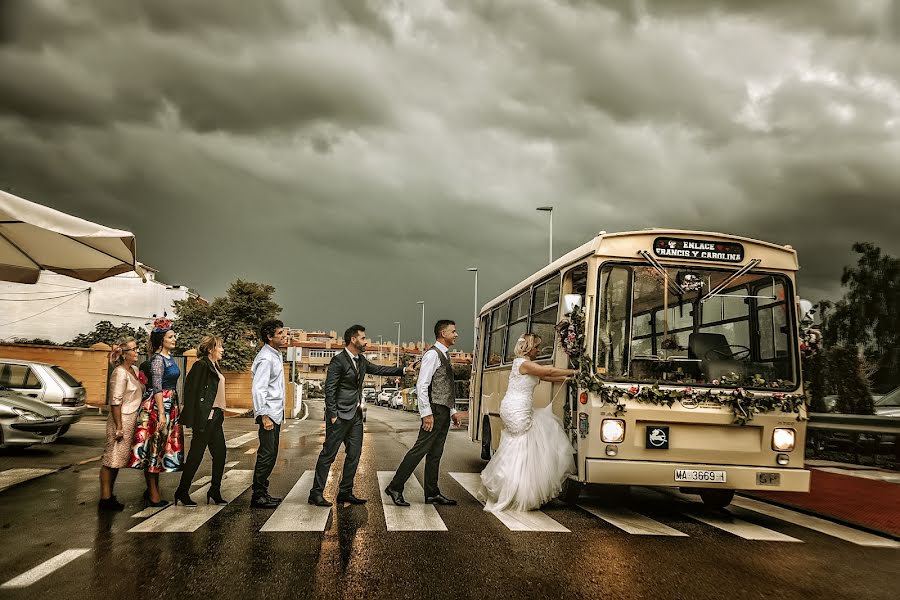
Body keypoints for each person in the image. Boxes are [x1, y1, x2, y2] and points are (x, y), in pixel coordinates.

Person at [308, 324, 412, 506]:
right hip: (339, 416)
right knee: (328, 455)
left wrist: (403, 370)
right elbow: (329, 389)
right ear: (353, 339)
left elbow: (380, 369)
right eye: (363, 338)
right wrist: (332, 414)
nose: (366, 341)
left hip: (355, 416)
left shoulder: (361, 360)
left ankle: (345, 492)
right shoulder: (338, 361)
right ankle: (315, 494)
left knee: (354, 454)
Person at [478, 333, 576, 512]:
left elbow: (547, 377)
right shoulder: (523, 363)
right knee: (522, 446)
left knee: (520, 445)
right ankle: (515, 491)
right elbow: (548, 371)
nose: (539, 350)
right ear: (528, 348)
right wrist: (575, 372)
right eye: (537, 347)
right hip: (517, 409)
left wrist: (569, 379)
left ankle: (511, 488)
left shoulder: (527, 365)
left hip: (516, 407)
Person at [385, 320, 462, 507]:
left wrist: (452, 410)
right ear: (443, 333)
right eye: (453, 331)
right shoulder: (432, 355)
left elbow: (444, 386)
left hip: (442, 410)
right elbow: (422, 384)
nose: (456, 334)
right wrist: (426, 414)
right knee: (419, 450)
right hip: (434, 410)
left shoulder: (444, 355)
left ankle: (432, 493)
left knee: (436, 453)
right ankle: (395, 487)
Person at [129, 317, 184, 508]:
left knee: (160, 448)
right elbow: (157, 388)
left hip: (170, 404)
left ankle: (151, 490)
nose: (174, 339)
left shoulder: (168, 358)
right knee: (154, 447)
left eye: (174, 336)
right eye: (171, 336)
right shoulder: (158, 360)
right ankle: (153, 494)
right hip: (158, 406)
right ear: (161, 340)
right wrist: (161, 413)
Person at [174, 335, 228, 507]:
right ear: (211, 349)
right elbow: (191, 390)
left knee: (220, 454)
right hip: (207, 416)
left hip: (216, 416)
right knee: (196, 455)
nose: (222, 350)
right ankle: (182, 491)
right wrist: (198, 416)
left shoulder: (215, 366)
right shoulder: (201, 365)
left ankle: (215, 490)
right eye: (219, 347)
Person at [98, 336, 144, 510]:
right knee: (111, 458)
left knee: (118, 460)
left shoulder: (134, 369)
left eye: (136, 348)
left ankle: (109, 495)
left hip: (131, 419)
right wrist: (118, 427)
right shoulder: (119, 372)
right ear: (124, 354)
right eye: (133, 349)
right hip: (121, 420)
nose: (136, 351)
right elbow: (115, 401)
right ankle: (105, 498)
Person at [250, 319, 288, 509]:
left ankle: (263, 492)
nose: (284, 335)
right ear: (269, 337)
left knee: (271, 454)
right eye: (280, 333)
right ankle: (258, 496)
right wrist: (264, 416)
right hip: (269, 414)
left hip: (275, 413)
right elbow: (259, 389)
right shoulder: (266, 358)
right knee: (266, 454)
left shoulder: (275, 354)